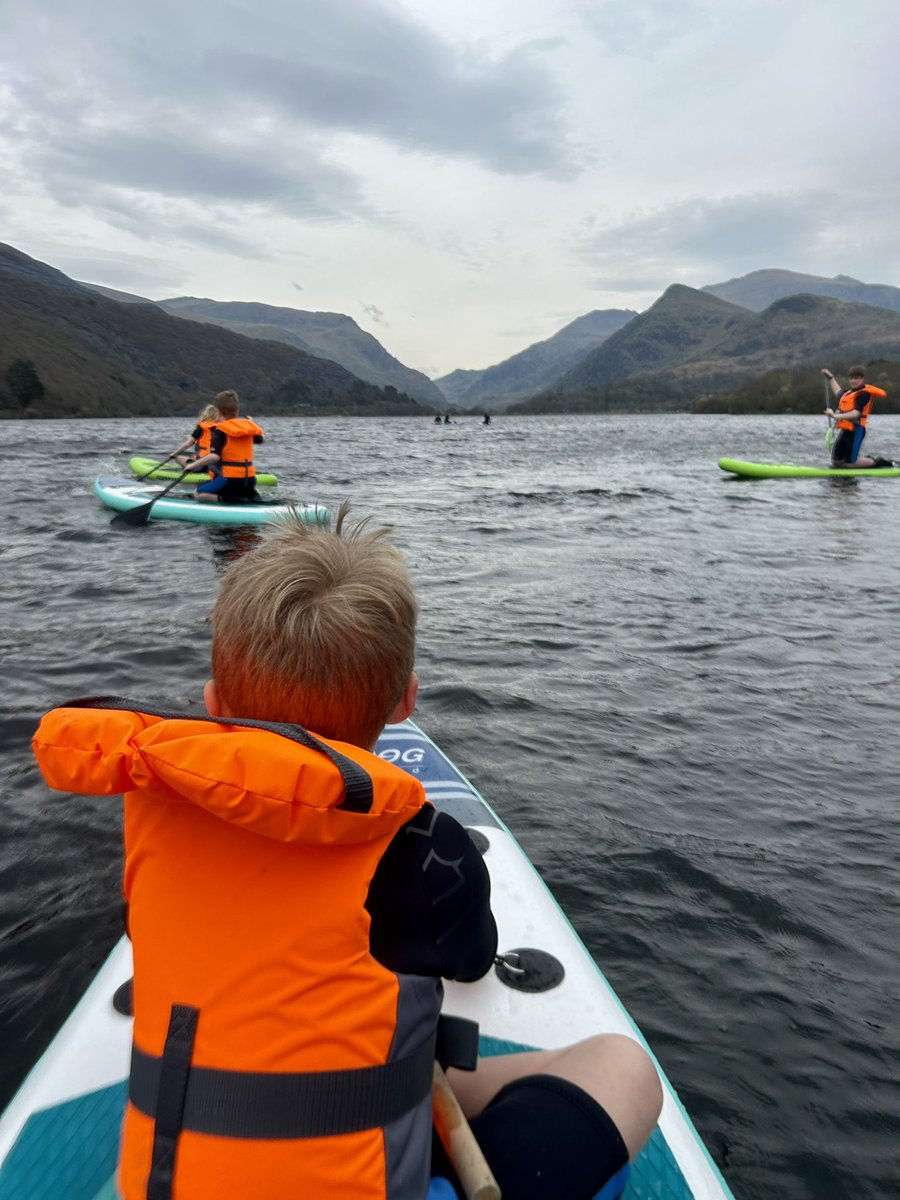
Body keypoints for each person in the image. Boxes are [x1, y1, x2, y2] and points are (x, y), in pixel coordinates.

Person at [32, 505, 661, 1200]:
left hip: (163, 1181)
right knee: (622, 1068)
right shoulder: (425, 852)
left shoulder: (153, 811)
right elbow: (472, 959)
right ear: (405, 703)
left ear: (213, 702)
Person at [189, 388, 265, 503]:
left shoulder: (219, 431)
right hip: (249, 480)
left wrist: (193, 465)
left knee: (198, 493)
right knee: (239, 488)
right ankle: (249, 498)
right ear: (237, 411)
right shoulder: (248, 428)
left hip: (229, 480)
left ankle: (228, 499)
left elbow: (214, 457)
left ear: (218, 412)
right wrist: (251, 423)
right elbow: (261, 440)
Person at [822, 365, 890, 467]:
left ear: (862, 379)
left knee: (849, 463)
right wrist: (830, 378)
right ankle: (862, 461)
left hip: (856, 430)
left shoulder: (863, 395)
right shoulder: (848, 394)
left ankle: (879, 462)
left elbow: (856, 414)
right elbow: (837, 391)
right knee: (836, 462)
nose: (853, 381)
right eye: (851, 378)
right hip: (845, 430)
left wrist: (835, 416)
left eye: (857, 378)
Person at [171, 403, 221, 468]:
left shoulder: (200, 429)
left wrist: (174, 454)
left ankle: (190, 469)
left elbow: (186, 445)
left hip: (201, 463)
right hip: (217, 463)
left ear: (206, 415)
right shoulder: (221, 429)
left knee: (177, 457)